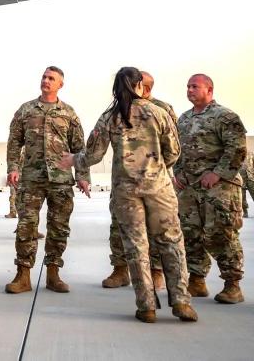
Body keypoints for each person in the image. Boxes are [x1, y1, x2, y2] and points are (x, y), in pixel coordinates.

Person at [59, 67, 196, 323]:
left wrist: (72, 160)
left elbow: (92, 155)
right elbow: (174, 152)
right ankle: (181, 303)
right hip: (159, 190)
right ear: (139, 85)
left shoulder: (110, 116)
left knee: (136, 248)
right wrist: (155, 168)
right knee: (171, 243)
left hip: (126, 192)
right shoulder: (158, 112)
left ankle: (146, 307)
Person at [5, 67, 90, 294]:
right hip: (32, 178)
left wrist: (82, 176)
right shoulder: (26, 110)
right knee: (26, 227)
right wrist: (13, 168)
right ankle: (23, 276)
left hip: (61, 180)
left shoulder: (68, 113)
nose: (46, 81)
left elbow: (79, 148)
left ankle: (53, 273)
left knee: (59, 227)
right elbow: (14, 141)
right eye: (44, 77)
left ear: (60, 84)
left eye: (51, 78)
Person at [173, 74, 248, 304]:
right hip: (189, 188)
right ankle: (197, 280)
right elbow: (175, 149)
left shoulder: (224, 116)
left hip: (219, 189)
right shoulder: (183, 119)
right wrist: (177, 172)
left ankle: (232, 284)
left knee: (221, 234)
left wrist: (217, 173)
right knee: (190, 234)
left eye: (195, 86)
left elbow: (237, 149)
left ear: (209, 89)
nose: (190, 90)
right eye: (188, 86)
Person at [103, 71, 174, 289]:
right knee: (119, 227)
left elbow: (172, 148)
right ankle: (120, 269)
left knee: (157, 230)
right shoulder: (119, 110)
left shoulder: (162, 109)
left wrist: (153, 170)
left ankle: (156, 271)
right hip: (124, 185)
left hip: (155, 184)